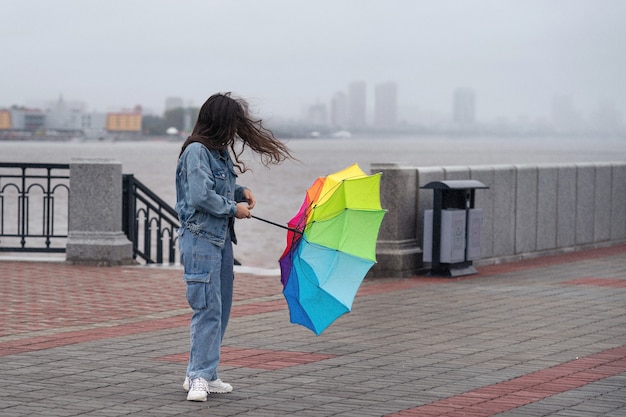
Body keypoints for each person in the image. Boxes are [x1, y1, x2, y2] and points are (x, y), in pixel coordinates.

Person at [175, 92, 292, 402]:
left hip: (221, 240)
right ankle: (198, 376)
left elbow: (218, 187)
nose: (235, 131)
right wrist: (233, 208)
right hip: (200, 240)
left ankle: (205, 373)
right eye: (232, 124)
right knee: (207, 308)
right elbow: (201, 196)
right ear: (219, 122)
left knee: (221, 307)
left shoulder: (218, 152)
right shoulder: (196, 152)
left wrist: (241, 192)